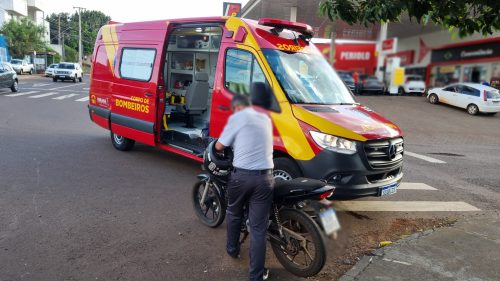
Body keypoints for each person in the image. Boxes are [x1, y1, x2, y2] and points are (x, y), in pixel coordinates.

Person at [215, 94, 274, 281]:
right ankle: (256, 276)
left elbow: (219, 146)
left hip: (242, 177)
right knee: (258, 229)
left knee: (233, 213)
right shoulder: (265, 118)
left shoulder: (237, 118)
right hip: (266, 178)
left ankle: (232, 249)